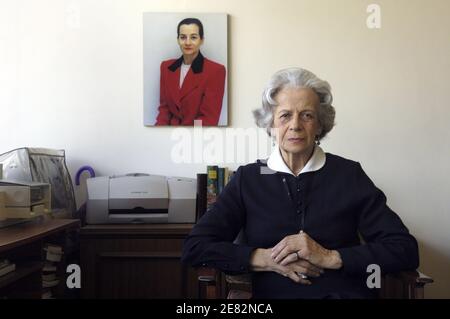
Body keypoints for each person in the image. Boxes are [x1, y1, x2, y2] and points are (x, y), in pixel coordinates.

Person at [181, 68, 419, 299]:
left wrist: (329, 257)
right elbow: (196, 246)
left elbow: (404, 249)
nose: (295, 125)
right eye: (285, 115)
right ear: (271, 125)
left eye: (307, 115)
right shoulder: (248, 179)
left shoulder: (349, 175)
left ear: (319, 125)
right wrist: (265, 259)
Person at [155, 18, 226, 126]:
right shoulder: (166, 67)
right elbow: (164, 111)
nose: (187, 42)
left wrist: (187, 137)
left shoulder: (215, 71)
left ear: (202, 40)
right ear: (178, 39)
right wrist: (158, 135)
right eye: (183, 37)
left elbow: (208, 118)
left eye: (193, 37)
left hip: (195, 137)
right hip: (167, 135)